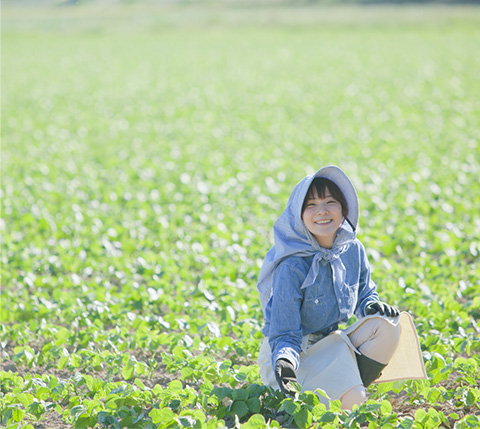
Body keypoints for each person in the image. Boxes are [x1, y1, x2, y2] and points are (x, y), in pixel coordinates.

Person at [256, 166, 425, 410]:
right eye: (311, 205)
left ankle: (344, 388)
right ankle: (320, 397)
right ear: (299, 214)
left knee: (387, 325)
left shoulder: (353, 249)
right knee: (353, 401)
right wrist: (285, 362)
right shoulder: (291, 266)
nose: (322, 211)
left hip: (331, 345)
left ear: (343, 208)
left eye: (330, 201)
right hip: (293, 357)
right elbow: (284, 333)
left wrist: (371, 305)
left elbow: (365, 294)